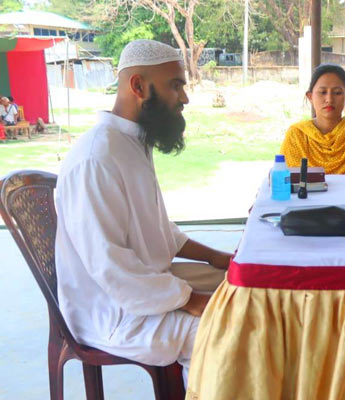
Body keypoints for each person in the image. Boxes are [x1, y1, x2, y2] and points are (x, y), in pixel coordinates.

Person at [54, 39, 232, 379]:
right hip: (115, 314)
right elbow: (111, 268)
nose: (185, 98)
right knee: (230, 332)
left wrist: (215, 258)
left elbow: (158, 229)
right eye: (176, 85)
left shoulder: (132, 142)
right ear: (138, 85)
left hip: (150, 287)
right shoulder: (95, 159)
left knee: (242, 286)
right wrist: (194, 302)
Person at [280, 63, 345, 174]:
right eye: (322, 92)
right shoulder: (297, 135)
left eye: (337, 93)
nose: (329, 99)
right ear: (310, 97)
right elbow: (286, 178)